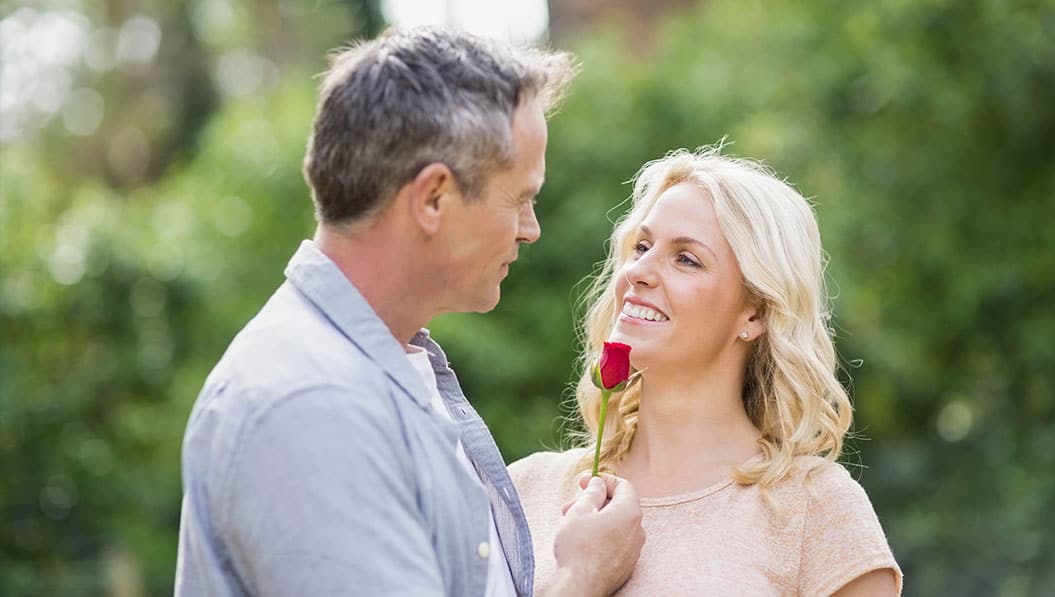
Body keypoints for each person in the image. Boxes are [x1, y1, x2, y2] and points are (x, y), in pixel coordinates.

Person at [175, 27, 644, 597]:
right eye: (521, 198)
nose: (531, 229)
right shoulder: (310, 405)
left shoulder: (393, 370)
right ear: (433, 199)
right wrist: (582, 580)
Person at [509, 146, 903, 596]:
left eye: (686, 259)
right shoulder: (525, 491)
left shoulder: (816, 510)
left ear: (754, 314)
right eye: (642, 246)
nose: (638, 270)